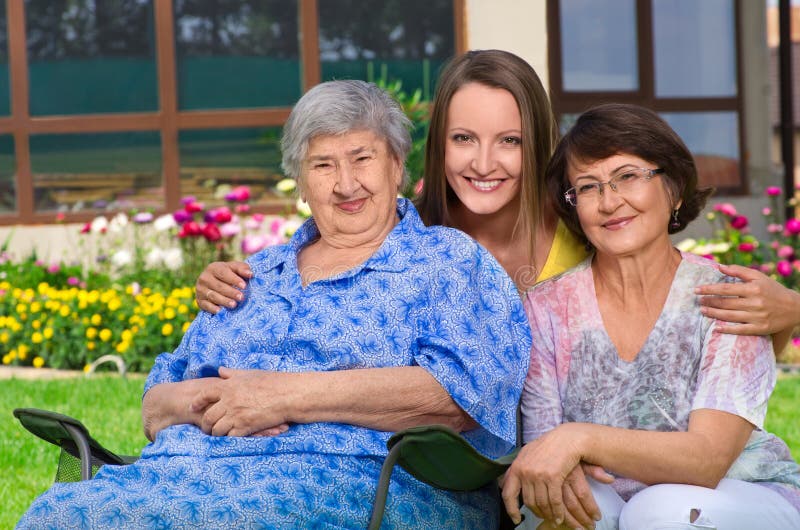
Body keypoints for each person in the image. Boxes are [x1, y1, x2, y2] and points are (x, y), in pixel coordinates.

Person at [18, 80, 532, 529]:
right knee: (55, 515)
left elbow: (463, 396)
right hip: (184, 474)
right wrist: (201, 400)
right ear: (302, 183)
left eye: (362, 158)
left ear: (397, 166)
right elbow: (154, 408)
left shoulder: (448, 262)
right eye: (323, 165)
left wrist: (283, 396)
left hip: (350, 484)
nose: (346, 183)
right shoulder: (251, 275)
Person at [195, 49, 800, 361]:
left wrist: (786, 312)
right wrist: (231, 280)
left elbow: (677, 310)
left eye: (509, 141)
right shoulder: (413, 236)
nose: (484, 164)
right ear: (439, 147)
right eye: (464, 140)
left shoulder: (585, 219)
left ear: (537, 140)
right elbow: (330, 245)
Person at [502, 103, 800, 530]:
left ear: (673, 189)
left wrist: (580, 438)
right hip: (614, 497)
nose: (610, 202)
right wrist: (561, 458)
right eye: (588, 188)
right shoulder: (545, 309)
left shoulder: (728, 296)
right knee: (559, 510)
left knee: (657, 513)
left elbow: (708, 459)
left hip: (740, 492)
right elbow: (548, 460)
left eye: (628, 176)